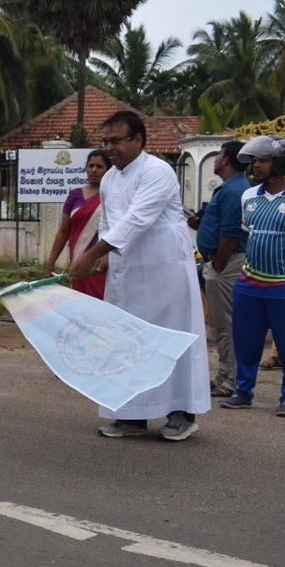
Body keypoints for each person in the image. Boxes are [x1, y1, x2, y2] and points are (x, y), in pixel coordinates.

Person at [72, 110, 211, 441]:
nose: (109, 148)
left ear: (138, 140)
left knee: (171, 339)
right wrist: (104, 257)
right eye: (105, 141)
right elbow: (109, 222)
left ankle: (181, 413)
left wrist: (92, 253)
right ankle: (132, 415)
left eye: (116, 141)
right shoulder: (110, 178)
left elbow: (137, 219)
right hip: (128, 273)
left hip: (165, 271)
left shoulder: (157, 171)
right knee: (127, 341)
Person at [218, 136, 285, 418]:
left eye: (263, 160)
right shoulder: (248, 197)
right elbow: (250, 233)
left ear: (280, 163)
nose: (256, 165)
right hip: (248, 284)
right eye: (254, 160)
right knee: (246, 342)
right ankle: (243, 392)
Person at [186, 143, 248, 395]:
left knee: (227, 324)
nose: (216, 158)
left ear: (226, 160)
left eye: (219, 153)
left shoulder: (234, 190)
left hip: (226, 263)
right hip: (222, 262)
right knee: (221, 324)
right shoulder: (229, 187)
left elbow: (230, 233)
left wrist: (219, 264)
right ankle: (224, 373)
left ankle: (232, 379)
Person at [43, 149, 111, 300]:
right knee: (80, 304)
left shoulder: (112, 195)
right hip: (79, 262)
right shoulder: (74, 195)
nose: (94, 170)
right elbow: (63, 231)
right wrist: (50, 263)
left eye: (99, 167)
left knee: (100, 306)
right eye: (91, 166)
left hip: (101, 263)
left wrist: (108, 255)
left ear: (108, 170)